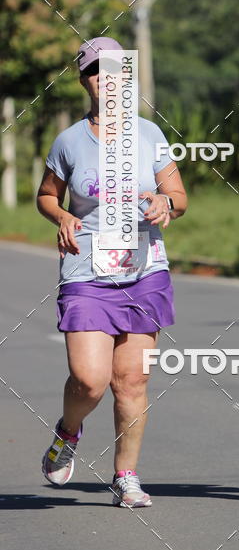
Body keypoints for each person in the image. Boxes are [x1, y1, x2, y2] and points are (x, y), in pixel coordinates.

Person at [37, 37, 187, 508]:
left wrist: (166, 202)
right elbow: (46, 196)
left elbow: (179, 198)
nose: (107, 80)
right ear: (85, 81)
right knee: (89, 379)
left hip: (144, 270)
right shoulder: (69, 141)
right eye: (96, 72)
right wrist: (62, 217)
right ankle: (68, 431)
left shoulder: (149, 135)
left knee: (132, 381)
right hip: (86, 269)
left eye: (115, 71)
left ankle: (127, 475)